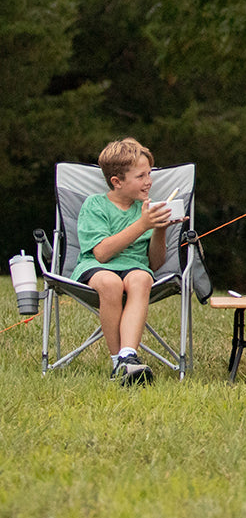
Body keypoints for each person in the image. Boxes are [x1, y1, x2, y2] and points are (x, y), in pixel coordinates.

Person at [73, 138, 183, 385]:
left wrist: (159, 229)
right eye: (141, 176)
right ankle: (117, 363)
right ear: (117, 182)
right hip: (97, 269)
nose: (149, 181)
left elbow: (154, 263)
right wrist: (142, 224)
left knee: (142, 278)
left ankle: (128, 355)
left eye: (149, 174)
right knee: (111, 283)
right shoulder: (95, 205)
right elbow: (101, 253)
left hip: (135, 268)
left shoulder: (145, 209)